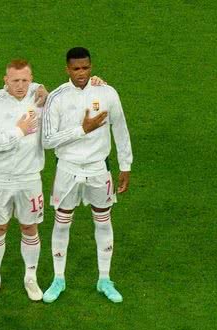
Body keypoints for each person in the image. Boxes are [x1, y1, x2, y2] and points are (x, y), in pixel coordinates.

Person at [41, 47, 132, 304]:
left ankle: (105, 279)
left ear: (91, 66)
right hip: (67, 169)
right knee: (61, 223)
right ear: (67, 69)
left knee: (103, 222)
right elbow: (47, 140)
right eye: (76, 69)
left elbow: (121, 129)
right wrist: (82, 130)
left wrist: (126, 165)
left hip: (98, 168)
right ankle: (58, 279)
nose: (82, 73)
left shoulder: (107, 93)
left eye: (86, 68)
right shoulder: (57, 98)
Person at [0, 59, 46, 301]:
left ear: (32, 79)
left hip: (30, 178)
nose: (20, 85)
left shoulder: (40, 100)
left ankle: (31, 277)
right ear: (5, 80)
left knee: (30, 227)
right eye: (15, 80)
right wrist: (18, 131)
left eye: (25, 80)